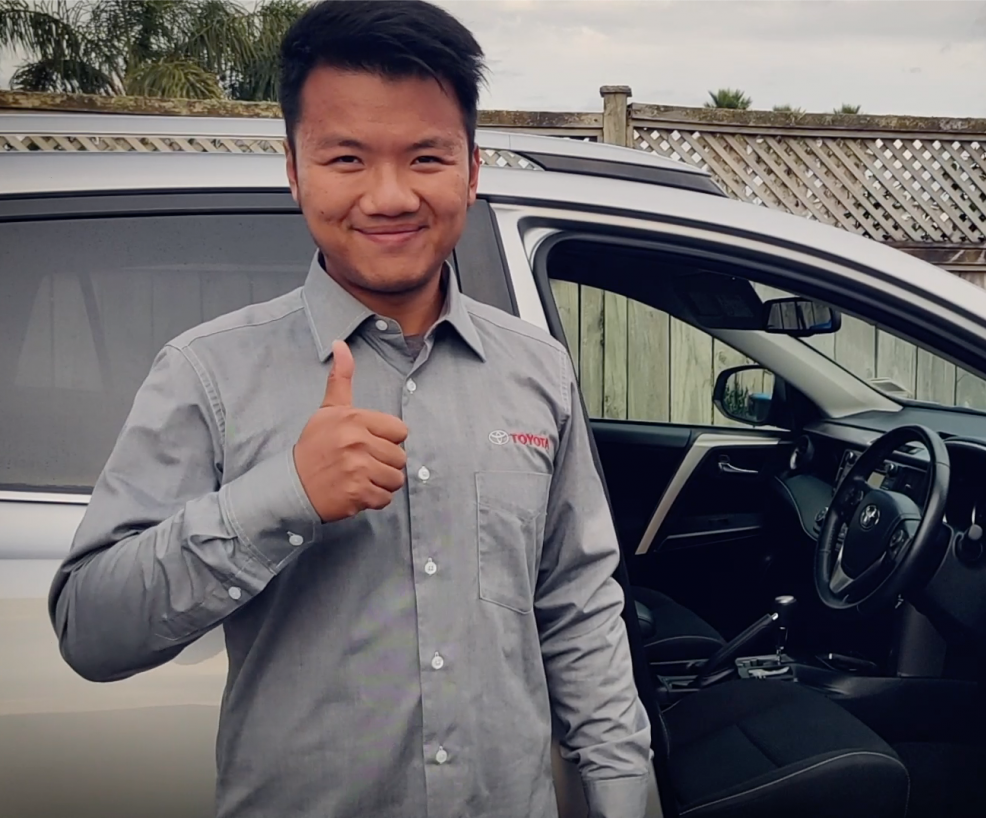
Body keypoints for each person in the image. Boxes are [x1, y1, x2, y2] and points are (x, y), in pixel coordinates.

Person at [47, 1, 652, 816]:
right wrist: (282, 496)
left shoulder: (536, 369)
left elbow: (577, 606)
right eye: (347, 159)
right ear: (295, 171)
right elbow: (90, 630)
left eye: (426, 157)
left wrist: (624, 795)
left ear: (472, 169)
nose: (390, 196)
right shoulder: (207, 373)